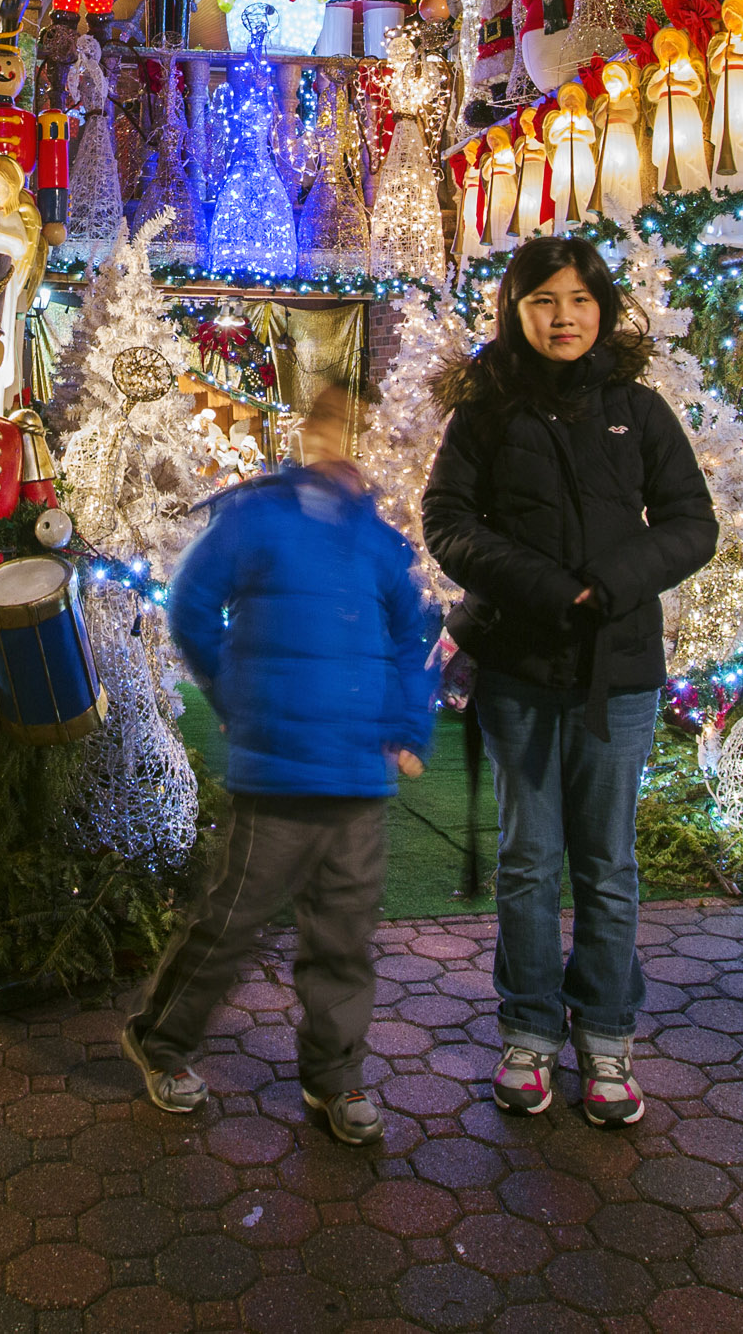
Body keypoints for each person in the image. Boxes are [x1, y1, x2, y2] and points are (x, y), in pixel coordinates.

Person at [421, 234, 716, 1127]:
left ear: (604, 309)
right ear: (515, 308)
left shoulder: (639, 408)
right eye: (545, 300)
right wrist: (548, 587)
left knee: (609, 863)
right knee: (528, 858)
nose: (564, 317)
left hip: (615, 673)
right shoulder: (486, 411)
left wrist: (615, 583)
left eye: (580, 300)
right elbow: (447, 519)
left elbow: (691, 522)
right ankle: (529, 1030)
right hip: (519, 664)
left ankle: (610, 1038)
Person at [123, 381, 439, 1145]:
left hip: (359, 775)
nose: (342, 451)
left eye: (355, 438)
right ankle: (161, 1039)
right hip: (280, 772)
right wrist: (236, 690)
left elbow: (414, 631)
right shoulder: (258, 515)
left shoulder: (379, 541)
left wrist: (404, 723)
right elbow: (192, 602)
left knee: (343, 937)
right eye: (331, 433)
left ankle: (334, 1077)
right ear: (309, 438)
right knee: (231, 921)